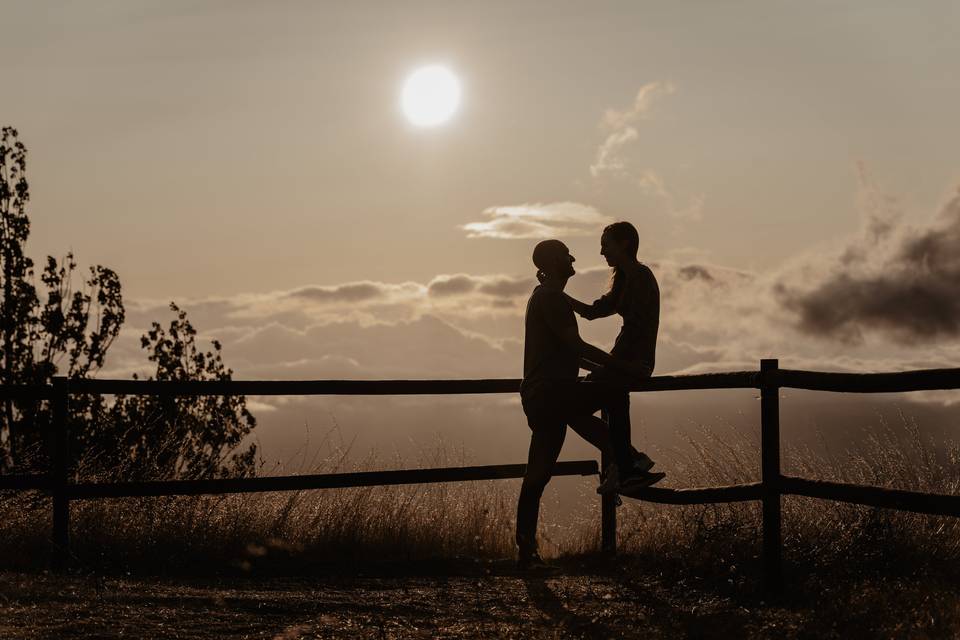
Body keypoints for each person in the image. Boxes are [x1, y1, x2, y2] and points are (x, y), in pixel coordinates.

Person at [516, 239, 663, 570]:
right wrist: (623, 368)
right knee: (613, 391)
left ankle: (526, 552)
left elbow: (568, 353)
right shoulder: (551, 298)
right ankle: (625, 464)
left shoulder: (545, 297)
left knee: (538, 475)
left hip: (544, 395)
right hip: (553, 392)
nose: (573, 258)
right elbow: (576, 346)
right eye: (566, 254)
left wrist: (602, 369)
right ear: (554, 262)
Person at [563, 221, 660, 492]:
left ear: (624, 244)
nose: (602, 251)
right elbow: (594, 312)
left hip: (630, 363)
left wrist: (614, 365)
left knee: (570, 408)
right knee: (615, 402)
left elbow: (636, 329)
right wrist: (560, 296)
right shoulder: (627, 278)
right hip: (627, 362)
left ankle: (627, 462)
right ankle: (628, 464)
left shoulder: (639, 277)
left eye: (606, 244)